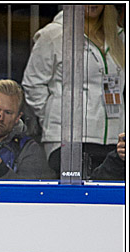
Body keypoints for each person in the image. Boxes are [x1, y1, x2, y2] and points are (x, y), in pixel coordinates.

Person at [22, 6, 126, 177]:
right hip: (68, 140)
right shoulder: (53, 34)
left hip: (114, 138)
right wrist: (56, 116)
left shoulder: (120, 37)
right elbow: (33, 84)